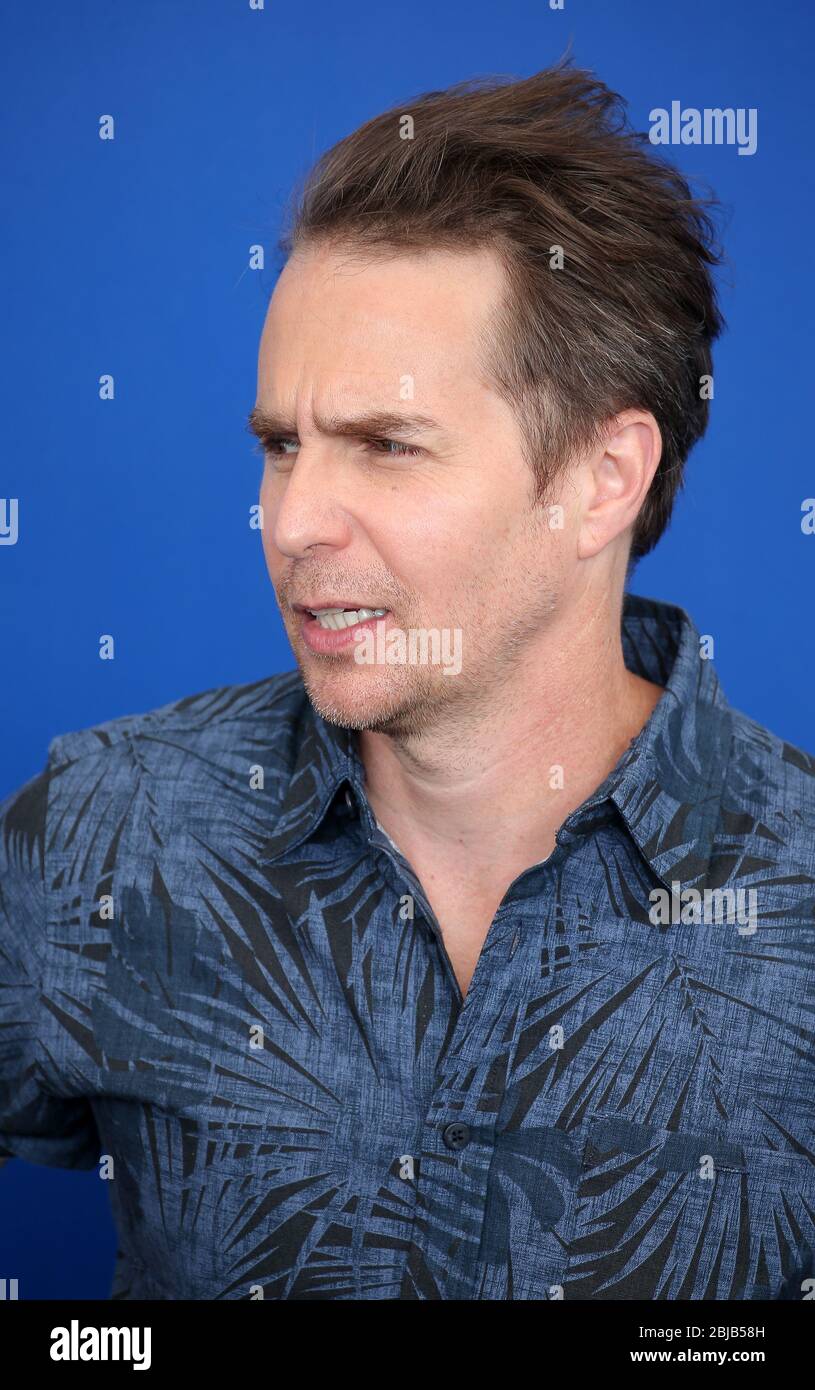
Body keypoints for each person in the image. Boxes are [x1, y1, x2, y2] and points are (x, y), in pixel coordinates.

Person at [2, 60, 813, 1301]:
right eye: (282, 446)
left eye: (385, 446)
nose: (290, 522)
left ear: (603, 477)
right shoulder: (107, 834)